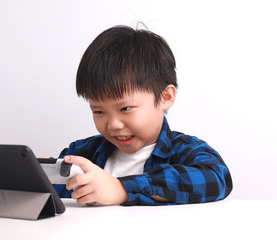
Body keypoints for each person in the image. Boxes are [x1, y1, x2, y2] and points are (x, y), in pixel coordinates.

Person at [53, 25, 233, 206]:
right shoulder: (81, 153)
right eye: (99, 111)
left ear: (165, 97)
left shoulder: (185, 151)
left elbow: (217, 177)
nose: (113, 125)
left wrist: (121, 189)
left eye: (125, 109)